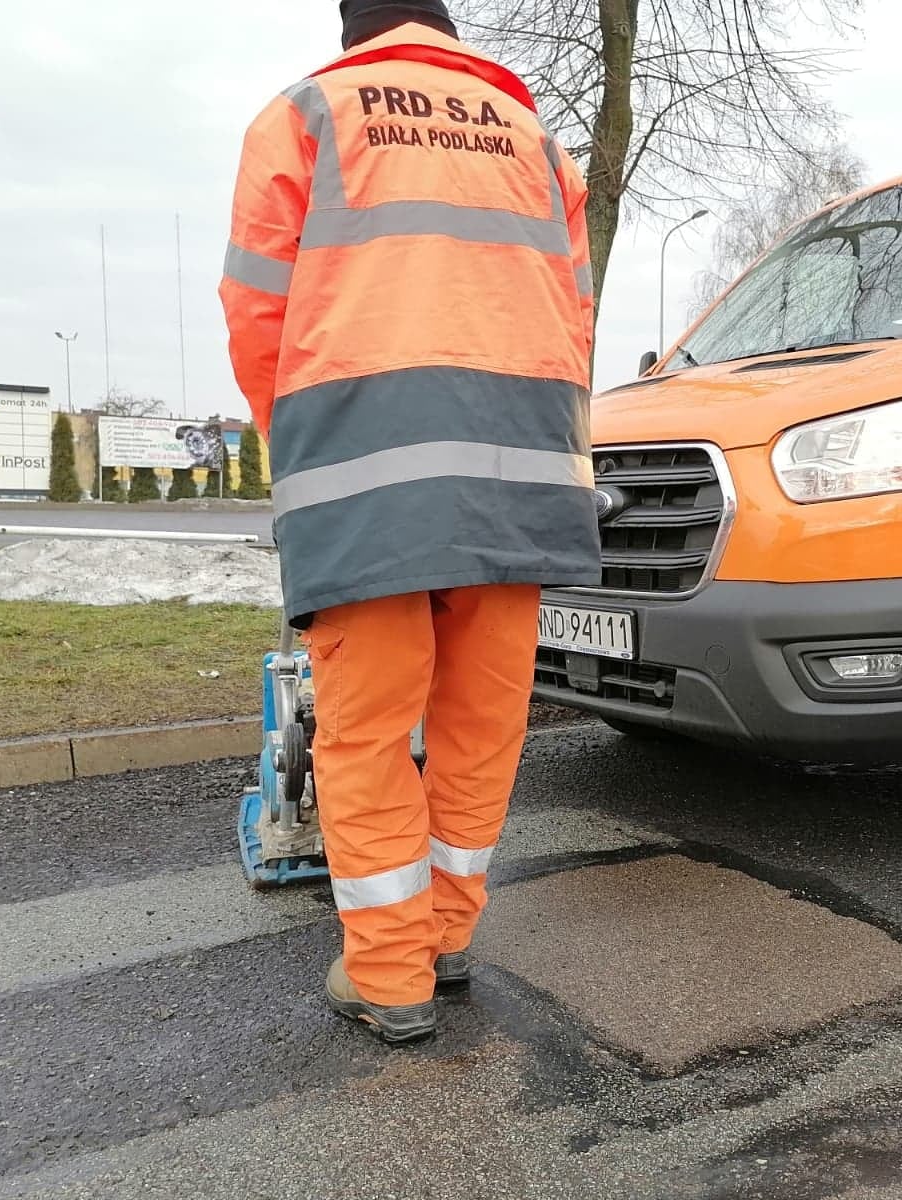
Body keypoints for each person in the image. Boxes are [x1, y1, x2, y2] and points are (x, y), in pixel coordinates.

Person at [219, 0, 599, 1043]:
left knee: (367, 733)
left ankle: (388, 975)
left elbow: (257, 309)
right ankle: (444, 935)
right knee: (482, 730)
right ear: (444, 28)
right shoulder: (536, 143)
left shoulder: (309, 114)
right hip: (518, 478)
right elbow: (573, 320)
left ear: (359, 32)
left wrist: (297, 440)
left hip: (365, 481)